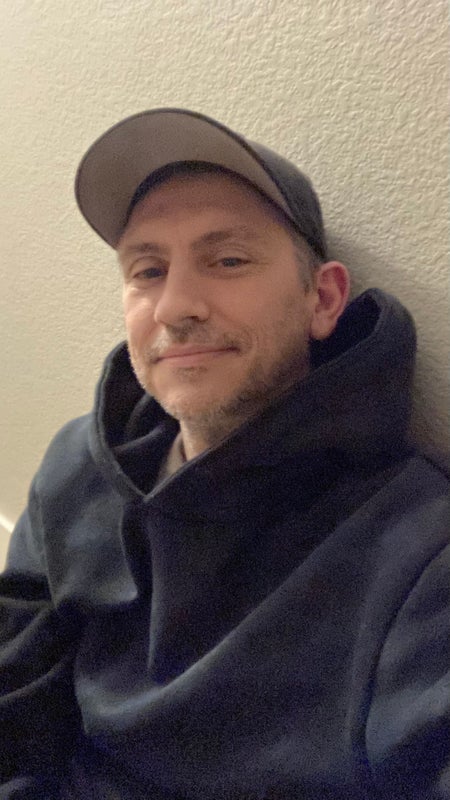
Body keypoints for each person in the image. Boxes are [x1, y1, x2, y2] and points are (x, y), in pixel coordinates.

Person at [0, 108, 448, 800]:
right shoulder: (78, 466)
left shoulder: (419, 552)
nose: (175, 306)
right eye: (148, 269)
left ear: (323, 299)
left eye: (228, 260)